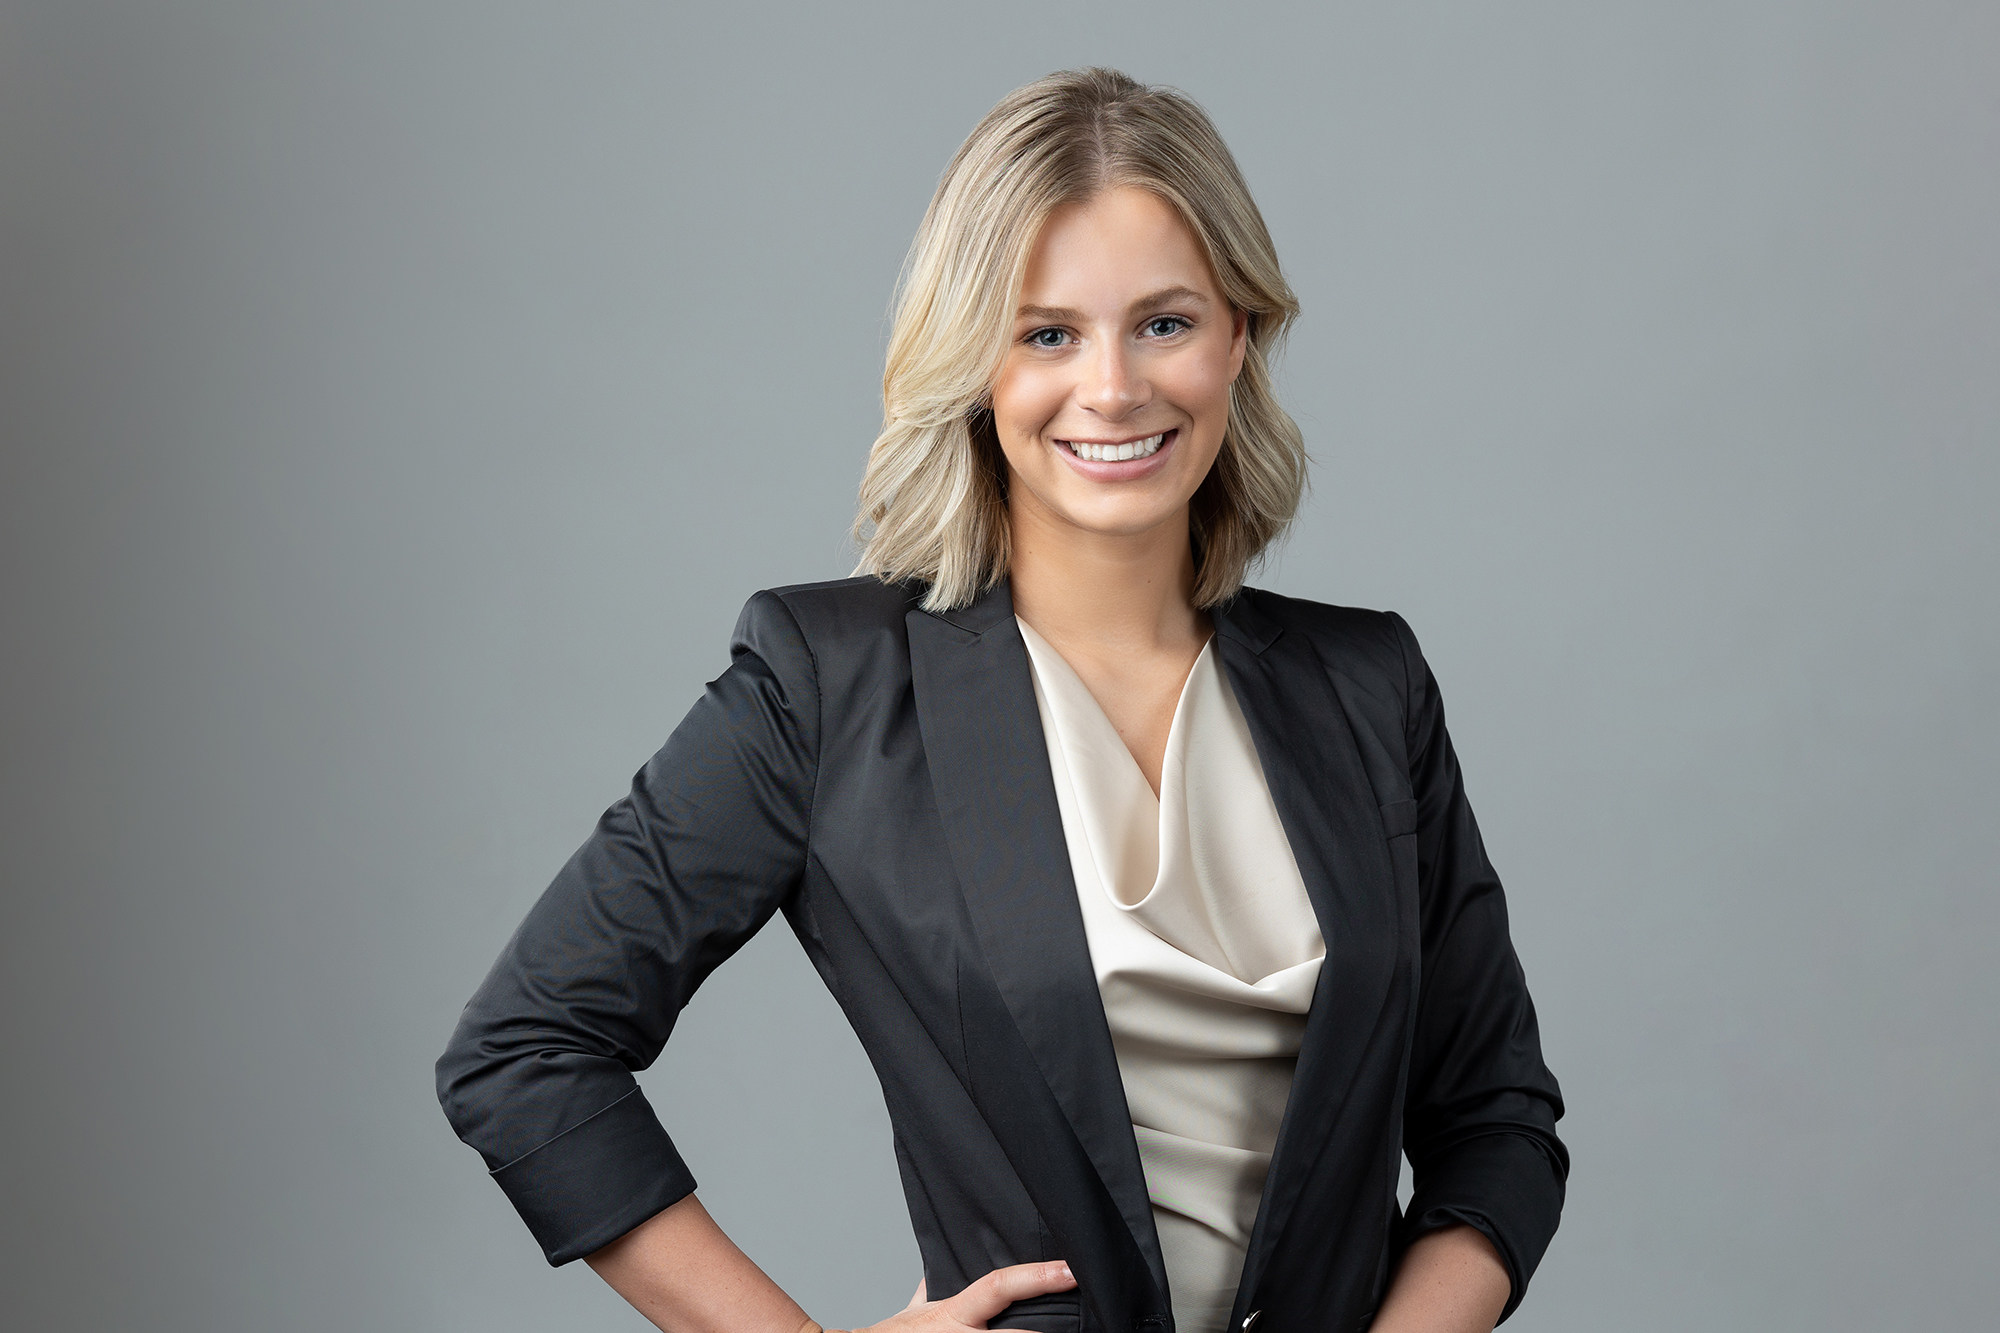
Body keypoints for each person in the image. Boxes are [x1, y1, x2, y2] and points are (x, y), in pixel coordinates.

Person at [436, 67, 1567, 1333]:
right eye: (1045, 333)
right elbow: (524, 1050)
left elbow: (1497, 1127)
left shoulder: (1369, 688)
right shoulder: (830, 683)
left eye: (1163, 322)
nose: (1112, 388)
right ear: (975, 362)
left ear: (1238, 334)